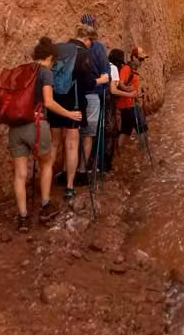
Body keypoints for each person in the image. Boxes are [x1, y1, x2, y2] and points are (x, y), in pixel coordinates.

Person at [9, 36, 82, 231]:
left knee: (20, 174)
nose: (54, 63)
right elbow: (49, 102)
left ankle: (23, 217)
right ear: (49, 56)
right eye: (54, 60)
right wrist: (69, 114)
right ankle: (45, 206)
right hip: (37, 125)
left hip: (15, 128)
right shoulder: (45, 73)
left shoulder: (21, 71)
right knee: (46, 164)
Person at [51, 25, 107, 203]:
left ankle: (48, 180)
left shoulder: (58, 48)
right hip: (73, 103)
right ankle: (69, 186)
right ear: (88, 40)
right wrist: (102, 80)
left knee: (54, 144)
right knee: (72, 144)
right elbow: (89, 83)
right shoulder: (84, 54)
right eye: (92, 42)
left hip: (54, 103)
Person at [79, 13, 110, 178]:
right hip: (95, 93)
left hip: (77, 95)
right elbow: (105, 71)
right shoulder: (98, 47)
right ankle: (91, 167)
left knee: (78, 133)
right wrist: (104, 85)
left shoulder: (76, 46)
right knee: (93, 132)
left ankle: (79, 167)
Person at [105, 48, 134, 171]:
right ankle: (107, 164)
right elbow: (113, 90)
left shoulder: (104, 66)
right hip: (109, 104)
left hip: (101, 102)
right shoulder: (114, 69)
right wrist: (129, 94)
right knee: (111, 132)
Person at [116, 46, 149, 145]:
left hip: (127, 105)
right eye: (140, 59)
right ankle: (143, 154)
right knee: (142, 128)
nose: (142, 62)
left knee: (126, 130)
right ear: (134, 58)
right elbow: (120, 83)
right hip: (129, 105)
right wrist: (129, 92)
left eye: (143, 59)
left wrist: (136, 94)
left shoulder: (132, 70)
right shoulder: (126, 68)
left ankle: (120, 151)